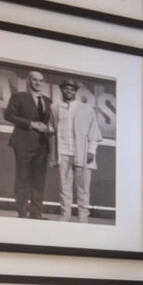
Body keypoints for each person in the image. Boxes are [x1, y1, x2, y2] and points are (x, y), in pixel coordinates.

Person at [3, 69, 56, 220]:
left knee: (39, 180)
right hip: (23, 144)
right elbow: (8, 115)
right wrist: (31, 124)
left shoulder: (48, 100)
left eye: (41, 80)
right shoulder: (19, 97)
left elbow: (49, 122)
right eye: (35, 80)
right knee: (23, 178)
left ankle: (36, 213)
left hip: (42, 145)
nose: (38, 83)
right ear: (28, 81)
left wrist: (50, 128)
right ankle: (22, 212)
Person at [54, 79, 105, 223]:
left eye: (72, 89)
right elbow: (53, 128)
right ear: (62, 90)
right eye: (66, 88)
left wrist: (91, 150)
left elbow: (93, 131)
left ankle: (83, 218)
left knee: (83, 188)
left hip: (81, 154)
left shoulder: (86, 108)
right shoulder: (56, 107)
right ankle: (65, 215)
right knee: (64, 187)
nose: (69, 91)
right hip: (63, 152)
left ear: (76, 91)